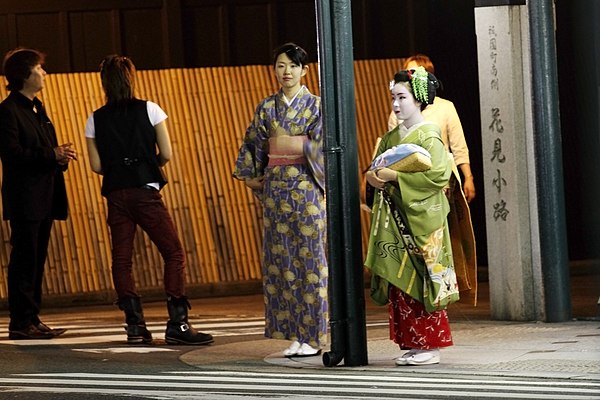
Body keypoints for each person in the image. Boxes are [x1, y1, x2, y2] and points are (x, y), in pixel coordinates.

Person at [84, 55, 213, 346]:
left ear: (104, 82)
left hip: (116, 193)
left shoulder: (95, 118)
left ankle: (134, 326)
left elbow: (96, 166)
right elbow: (165, 153)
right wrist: (145, 166)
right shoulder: (150, 109)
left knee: (122, 260)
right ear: (131, 78)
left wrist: (119, 169)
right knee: (173, 253)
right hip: (145, 191)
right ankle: (178, 325)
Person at [232, 43, 327, 358]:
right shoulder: (266, 107)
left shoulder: (316, 106)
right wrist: (249, 174)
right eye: (280, 66)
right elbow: (253, 144)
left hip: (307, 191)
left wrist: (297, 145)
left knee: (311, 262)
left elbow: (324, 148)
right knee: (282, 262)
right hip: (276, 193)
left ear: (304, 70)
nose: (286, 72)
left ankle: (313, 335)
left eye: (292, 66)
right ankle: (295, 334)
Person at [365, 67, 458, 366]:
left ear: (418, 99)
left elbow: (439, 175)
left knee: (424, 281)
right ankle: (411, 343)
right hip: (396, 217)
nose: (395, 104)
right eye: (393, 97)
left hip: (421, 220)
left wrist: (395, 176)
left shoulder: (429, 135)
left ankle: (429, 345)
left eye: (402, 97)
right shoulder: (391, 136)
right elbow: (374, 167)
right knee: (400, 282)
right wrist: (372, 178)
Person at [0, 48, 76, 340]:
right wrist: (51, 154)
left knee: (37, 258)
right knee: (25, 259)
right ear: (25, 75)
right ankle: (20, 322)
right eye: (39, 69)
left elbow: (44, 150)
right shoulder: (7, 111)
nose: (44, 73)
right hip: (24, 198)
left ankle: (32, 318)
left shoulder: (37, 108)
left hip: (44, 195)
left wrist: (60, 156)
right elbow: (11, 153)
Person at [388, 54, 475, 202]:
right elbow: (393, 151)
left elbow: (458, 146)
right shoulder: (397, 112)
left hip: (442, 183)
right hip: (410, 185)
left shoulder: (445, 107)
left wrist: (468, 177)